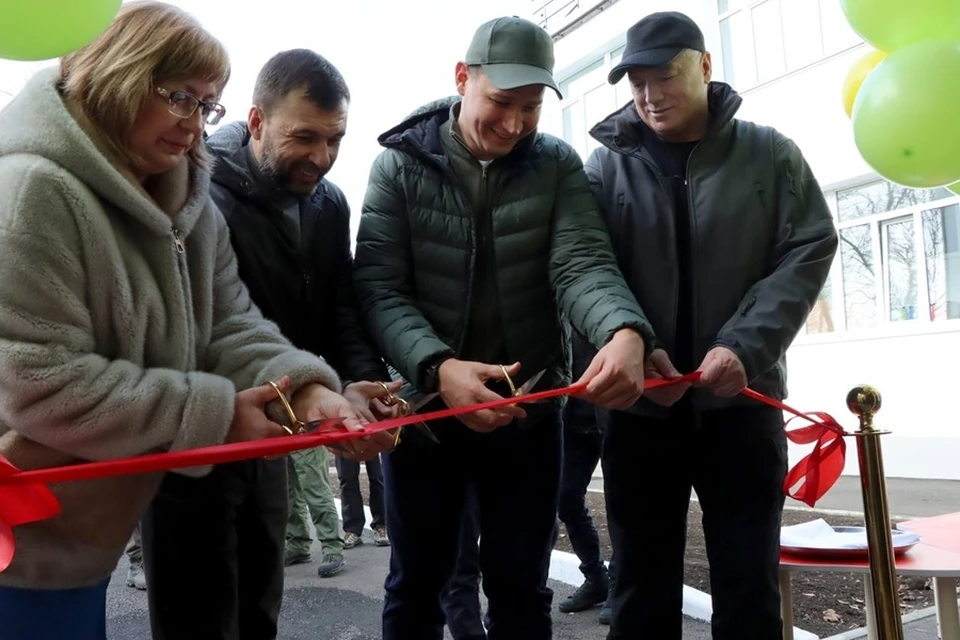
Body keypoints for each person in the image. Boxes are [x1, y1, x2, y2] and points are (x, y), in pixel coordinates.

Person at [0, 3, 392, 637]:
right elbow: (36, 381)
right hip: (19, 539)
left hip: (83, 524)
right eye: (181, 97)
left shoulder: (186, 197)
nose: (196, 123)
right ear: (118, 76)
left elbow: (230, 323)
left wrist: (310, 391)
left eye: (208, 104)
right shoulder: (29, 189)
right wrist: (213, 414)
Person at [353, 16, 655, 640]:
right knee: (417, 588)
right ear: (463, 79)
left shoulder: (556, 166)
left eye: (531, 107)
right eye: (501, 102)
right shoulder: (398, 167)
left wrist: (624, 331)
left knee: (521, 588)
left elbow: (582, 263)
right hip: (427, 417)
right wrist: (439, 370)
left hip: (528, 417)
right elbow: (381, 290)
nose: (515, 124)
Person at [583, 11, 838, 640]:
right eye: (636, 81)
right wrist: (640, 355)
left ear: (704, 66)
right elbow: (588, 271)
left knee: (748, 583)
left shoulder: (769, 153)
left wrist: (743, 347)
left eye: (664, 75)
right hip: (640, 412)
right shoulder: (602, 167)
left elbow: (809, 247)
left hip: (741, 406)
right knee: (639, 587)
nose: (650, 94)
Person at [141, 48, 398, 637]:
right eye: (304, 137)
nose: (322, 158)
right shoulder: (191, 188)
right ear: (256, 121)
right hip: (194, 442)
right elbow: (188, 327)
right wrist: (304, 392)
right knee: (195, 618)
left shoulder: (329, 203)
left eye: (335, 140)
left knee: (261, 606)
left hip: (276, 437)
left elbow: (339, 308)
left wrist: (358, 383)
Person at [555, 331, 616, 625]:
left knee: (621, 504)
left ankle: (619, 583)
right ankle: (595, 576)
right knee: (565, 501)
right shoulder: (562, 299)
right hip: (571, 418)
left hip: (615, 414)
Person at [336, 453, 389, 549]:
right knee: (347, 478)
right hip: (344, 439)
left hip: (374, 438)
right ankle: (352, 528)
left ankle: (381, 525)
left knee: (378, 476)